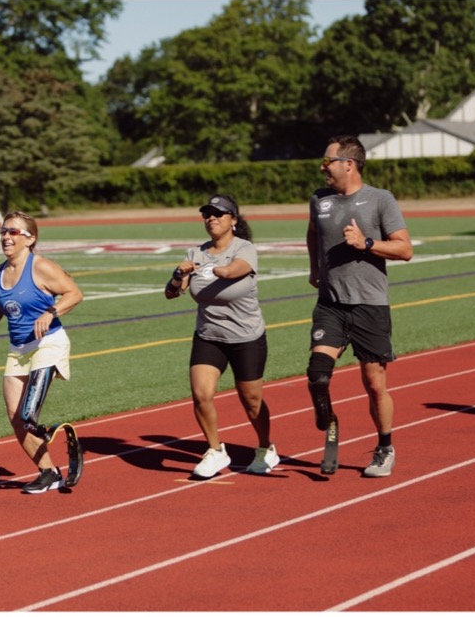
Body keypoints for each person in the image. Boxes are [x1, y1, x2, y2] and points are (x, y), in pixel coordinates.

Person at [306, 135, 413, 477]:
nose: (323, 168)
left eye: (328, 162)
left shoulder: (380, 199)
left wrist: (366, 243)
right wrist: (314, 268)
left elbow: (404, 249)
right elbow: (312, 233)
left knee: (374, 383)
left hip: (369, 303)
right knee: (318, 375)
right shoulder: (319, 199)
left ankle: (384, 447)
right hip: (331, 303)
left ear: (348, 164)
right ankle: (328, 418)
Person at [166, 194, 280, 478]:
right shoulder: (196, 253)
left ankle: (266, 447)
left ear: (233, 220)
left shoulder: (245, 249)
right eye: (207, 214)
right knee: (201, 394)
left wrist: (213, 268)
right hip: (209, 335)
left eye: (218, 213)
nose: (211, 218)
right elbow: (171, 293)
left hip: (246, 337)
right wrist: (179, 274)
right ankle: (216, 451)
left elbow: (233, 270)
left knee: (251, 400)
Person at [0, 211, 83, 494]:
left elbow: (74, 293)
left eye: (13, 232)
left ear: (30, 239)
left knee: (28, 412)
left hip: (49, 343)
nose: (6, 237)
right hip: (18, 349)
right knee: (15, 416)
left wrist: (51, 312)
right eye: (3, 231)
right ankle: (49, 472)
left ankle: (43, 428)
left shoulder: (41, 267)